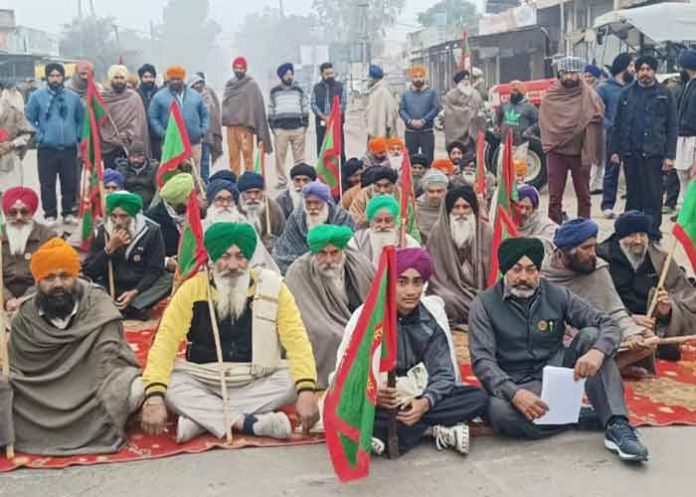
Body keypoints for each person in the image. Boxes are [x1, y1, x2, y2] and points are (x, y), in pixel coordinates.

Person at [468, 237, 649, 462]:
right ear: (505, 271)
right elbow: (482, 361)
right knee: (499, 413)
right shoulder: (483, 305)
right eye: (516, 270)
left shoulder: (557, 294)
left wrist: (598, 352)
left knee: (592, 336)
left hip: (559, 373)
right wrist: (514, 393)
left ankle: (617, 425)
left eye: (531, 270)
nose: (524, 278)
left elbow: (607, 322)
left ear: (539, 271)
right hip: (516, 382)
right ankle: (575, 418)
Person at [140, 223, 319, 443]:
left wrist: (307, 390)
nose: (233, 265)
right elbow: (165, 342)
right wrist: (155, 397)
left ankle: (202, 419)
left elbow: (296, 340)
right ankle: (250, 423)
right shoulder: (192, 289)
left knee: (295, 379)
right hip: (204, 376)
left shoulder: (273, 287)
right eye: (225, 257)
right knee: (165, 383)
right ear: (213, 258)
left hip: (254, 376)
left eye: (240, 256)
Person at [333, 247, 488, 456]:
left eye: (417, 282)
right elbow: (346, 372)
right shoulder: (366, 317)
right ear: (389, 283)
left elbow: (443, 373)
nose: (411, 291)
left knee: (477, 397)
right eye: (402, 282)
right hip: (380, 395)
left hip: (417, 392)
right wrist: (373, 395)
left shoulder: (429, 318)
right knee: (339, 406)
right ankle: (432, 428)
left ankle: (385, 432)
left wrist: (425, 403)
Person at [9, 237, 142, 455]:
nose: (58, 284)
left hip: (93, 388)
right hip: (41, 395)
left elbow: (108, 362)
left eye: (65, 276)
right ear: (38, 282)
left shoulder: (99, 305)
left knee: (136, 388)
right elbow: (17, 367)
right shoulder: (24, 318)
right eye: (49, 278)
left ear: (76, 276)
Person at [541, 219, 655, 374]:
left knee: (648, 339)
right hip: (563, 339)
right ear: (566, 251)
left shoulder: (597, 269)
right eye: (586, 248)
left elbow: (614, 311)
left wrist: (631, 335)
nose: (592, 254)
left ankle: (609, 369)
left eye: (594, 247)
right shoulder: (544, 274)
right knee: (588, 336)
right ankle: (599, 371)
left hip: (601, 331)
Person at [598, 211, 696, 356]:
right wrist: (628, 318)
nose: (638, 241)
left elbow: (685, 295)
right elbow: (594, 300)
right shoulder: (601, 259)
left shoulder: (660, 259)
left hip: (652, 325)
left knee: (670, 353)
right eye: (631, 235)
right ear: (619, 237)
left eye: (642, 235)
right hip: (616, 322)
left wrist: (667, 312)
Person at [285, 225, 372, 388]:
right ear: (314, 253)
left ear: (343, 251)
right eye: (322, 254)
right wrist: (346, 333)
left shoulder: (358, 263)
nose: (329, 260)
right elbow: (307, 319)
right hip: (325, 327)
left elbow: (375, 297)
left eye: (334, 253)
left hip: (360, 323)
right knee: (329, 336)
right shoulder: (299, 271)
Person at [610, 55, 678, 239]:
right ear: (637, 71)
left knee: (654, 197)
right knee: (633, 196)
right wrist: (615, 151)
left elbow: (672, 127)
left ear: (654, 71)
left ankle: (653, 235)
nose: (645, 73)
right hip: (631, 154)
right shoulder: (626, 93)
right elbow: (617, 124)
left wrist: (670, 155)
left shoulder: (665, 94)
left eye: (648, 69)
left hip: (655, 154)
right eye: (641, 69)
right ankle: (631, 233)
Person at [83, 192, 171, 321]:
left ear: (134, 215)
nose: (118, 222)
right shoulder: (102, 231)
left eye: (124, 216)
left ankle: (132, 307)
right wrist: (109, 249)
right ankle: (126, 308)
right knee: (85, 283)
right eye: (114, 216)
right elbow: (89, 271)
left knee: (169, 280)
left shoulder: (152, 231)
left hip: (141, 287)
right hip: (111, 284)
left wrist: (135, 292)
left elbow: (155, 269)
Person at [540, 56, 604, 224]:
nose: (569, 77)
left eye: (573, 73)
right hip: (557, 150)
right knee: (555, 197)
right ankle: (553, 229)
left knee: (584, 195)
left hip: (580, 151)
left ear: (580, 74)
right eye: (565, 73)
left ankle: (585, 231)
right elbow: (546, 120)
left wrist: (585, 120)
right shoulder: (551, 95)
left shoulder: (589, 95)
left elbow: (598, 114)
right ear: (560, 74)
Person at [25, 63, 84, 227]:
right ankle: (50, 214)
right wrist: (40, 134)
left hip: (69, 148)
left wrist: (77, 136)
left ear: (63, 77)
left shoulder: (73, 98)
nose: (55, 79)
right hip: (47, 148)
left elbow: (81, 119)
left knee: (70, 181)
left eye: (58, 75)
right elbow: (28, 119)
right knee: (47, 183)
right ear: (47, 77)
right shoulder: (37, 96)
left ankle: (68, 213)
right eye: (52, 75)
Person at [427, 186, 492, 327]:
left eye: (465, 207)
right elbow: (435, 277)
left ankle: (481, 311)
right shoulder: (437, 233)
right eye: (456, 207)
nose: (461, 212)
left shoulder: (487, 233)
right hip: (451, 293)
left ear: (473, 210)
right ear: (449, 210)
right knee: (443, 300)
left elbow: (494, 273)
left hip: (482, 293)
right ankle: (479, 313)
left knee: (493, 304)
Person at [273, 181, 355, 274]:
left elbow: (349, 249)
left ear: (325, 202)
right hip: (302, 269)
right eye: (309, 203)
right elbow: (285, 249)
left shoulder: (341, 217)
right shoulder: (296, 218)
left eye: (316, 203)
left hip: (335, 265)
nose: (312, 207)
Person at [2, 187, 56, 311]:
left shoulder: (48, 236)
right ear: (6, 213)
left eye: (24, 212)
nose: (19, 217)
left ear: (32, 212)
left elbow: (50, 275)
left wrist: (25, 300)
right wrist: (7, 299)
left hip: (39, 297)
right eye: (13, 212)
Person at [148, 66, 209, 172]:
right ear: (168, 79)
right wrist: (163, 133)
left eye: (178, 79)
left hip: (193, 142)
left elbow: (205, 115)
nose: (175, 82)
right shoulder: (159, 97)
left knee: (194, 174)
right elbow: (152, 117)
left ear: (183, 79)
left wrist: (202, 131)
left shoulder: (195, 96)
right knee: (172, 172)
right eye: (172, 79)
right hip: (171, 144)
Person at [598, 53, 635, 219]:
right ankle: (607, 205)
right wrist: (610, 125)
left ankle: (631, 206)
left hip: (632, 136)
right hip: (613, 136)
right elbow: (598, 112)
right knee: (611, 171)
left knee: (632, 171)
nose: (634, 70)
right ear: (623, 67)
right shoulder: (605, 88)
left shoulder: (634, 87)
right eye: (631, 66)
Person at [222, 57, 273, 175]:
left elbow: (258, 104)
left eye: (241, 68)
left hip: (245, 127)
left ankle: (249, 179)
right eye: (236, 68)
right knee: (233, 155)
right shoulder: (229, 84)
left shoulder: (251, 84)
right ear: (233, 68)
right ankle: (235, 179)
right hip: (231, 127)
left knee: (247, 154)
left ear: (245, 69)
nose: (239, 70)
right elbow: (226, 104)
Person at [348, 195, 420, 268]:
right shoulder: (357, 242)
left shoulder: (409, 243)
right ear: (370, 222)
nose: (383, 226)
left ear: (395, 222)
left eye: (388, 221)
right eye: (378, 221)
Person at [101, 65, 151, 169]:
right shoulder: (102, 98)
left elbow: (138, 122)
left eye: (122, 78)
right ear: (110, 79)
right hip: (109, 146)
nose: (119, 81)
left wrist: (127, 134)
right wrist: (112, 138)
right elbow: (100, 123)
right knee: (110, 179)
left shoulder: (134, 97)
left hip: (130, 147)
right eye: (116, 78)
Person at [268, 63, 309, 189]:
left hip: (297, 128)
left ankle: (300, 182)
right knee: (280, 157)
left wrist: (305, 125)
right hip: (281, 130)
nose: (289, 76)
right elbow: (270, 109)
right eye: (286, 74)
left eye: (291, 74)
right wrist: (273, 127)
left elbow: (304, 107)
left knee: (299, 159)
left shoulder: (299, 90)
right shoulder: (274, 91)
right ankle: (282, 181)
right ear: (281, 76)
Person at [145, 173, 195, 272]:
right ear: (178, 200)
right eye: (191, 197)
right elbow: (146, 254)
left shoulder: (199, 213)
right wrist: (166, 262)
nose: (196, 200)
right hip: (164, 273)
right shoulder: (151, 219)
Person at [400, 65, 441, 163]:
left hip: (426, 131)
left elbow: (435, 108)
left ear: (424, 77)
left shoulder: (431, 93)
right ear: (411, 78)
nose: (418, 79)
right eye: (415, 76)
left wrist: (424, 120)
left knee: (428, 159)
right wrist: (410, 121)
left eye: (420, 76)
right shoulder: (406, 94)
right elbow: (401, 110)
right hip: (411, 132)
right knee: (410, 160)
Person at [236, 172, 285, 253]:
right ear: (241, 194)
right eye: (248, 193)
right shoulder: (234, 210)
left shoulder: (274, 209)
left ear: (262, 192)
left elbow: (284, 237)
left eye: (257, 192)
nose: (253, 197)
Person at [674, 49, 696, 215]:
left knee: (691, 174)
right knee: (682, 172)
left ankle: (687, 211)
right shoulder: (688, 84)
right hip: (682, 134)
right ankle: (682, 208)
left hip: (693, 135)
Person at [442, 69, 484, 155]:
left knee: (471, 157)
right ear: (458, 82)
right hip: (455, 134)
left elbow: (480, 109)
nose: (466, 82)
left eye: (467, 79)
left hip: (471, 132)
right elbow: (450, 113)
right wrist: (469, 112)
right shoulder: (451, 95)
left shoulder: (475, 94)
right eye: (463, 79)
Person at [190, 73, 223, 183]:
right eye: (195, 84)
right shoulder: (187, 97)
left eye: (200, 83)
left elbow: (213, 112)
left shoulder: (208, 94)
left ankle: (205, 182)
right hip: (193, 136)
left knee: (205, 161)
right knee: (194, 162)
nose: (198, 86)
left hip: (207, 134)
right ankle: (196, 183)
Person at [312, 62, 346, 162]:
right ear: (322, 74)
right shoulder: (316, 88)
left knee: (339, 148)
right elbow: (313, 104)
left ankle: (341, 171)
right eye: (327, 74)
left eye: (331, 73)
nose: (330, 76)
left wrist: (333, 116)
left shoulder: (340, 86)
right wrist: (324, 117)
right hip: (322, 123)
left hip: (336, 123)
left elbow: (343, 104)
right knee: (322, 148)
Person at [0, 82, 33, 186]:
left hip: (10, 161)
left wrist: (12, 144)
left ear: (1, 92)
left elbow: (27, 134)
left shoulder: (13, 111)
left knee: (12, 197)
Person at [113, 143, 158, 208]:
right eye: (132, 157)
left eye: (139, 156)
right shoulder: (121, 168)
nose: (136, 159)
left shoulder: (154, 168)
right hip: (127, 204)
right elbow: (117, 188)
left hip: (149, 205)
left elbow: (158, 190)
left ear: (145, 156)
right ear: (128, 157)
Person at [515, 185, 557, 254]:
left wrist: (531, 242)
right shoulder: (508, 221)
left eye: (527, 208)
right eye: (521, 207)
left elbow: (555, 237)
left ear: (534, 208)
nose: (523, 212)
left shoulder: (542, 222)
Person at [497, 80, 538, 146]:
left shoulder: (530, 107)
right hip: (504, 144)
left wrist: (528, 131)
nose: (513, 93)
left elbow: (538, 122)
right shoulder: (504, 105)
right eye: (512, 90)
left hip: (520, 145)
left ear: (522, 92)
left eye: (515, 90)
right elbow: (498, 118)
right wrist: (499, 128)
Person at [366, 64, 397, 140]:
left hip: (382, 132)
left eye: (369, 77)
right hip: (373, 131)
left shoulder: (383, 91)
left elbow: (391, 111)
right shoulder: (374, 91)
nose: (368, 79)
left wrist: (388, 128)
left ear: (374, 78)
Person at [416, 169, 448, 243]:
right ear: (425, 192)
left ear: (445, 191)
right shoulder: (417, 208)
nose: (435, 195)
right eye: (431, 191)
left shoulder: (452, 207)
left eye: (439, 191)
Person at [137, 63, 161, 159]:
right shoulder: (135, 94)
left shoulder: (160, 94)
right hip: (140, 135)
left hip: (157, 136)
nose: (148, 79)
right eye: (145, 77)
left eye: (151, 76)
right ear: (141, 78)